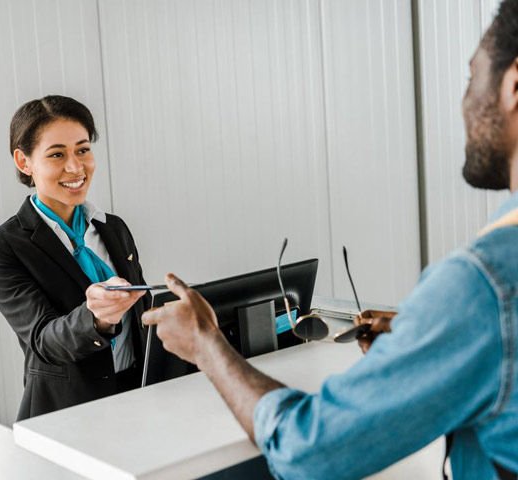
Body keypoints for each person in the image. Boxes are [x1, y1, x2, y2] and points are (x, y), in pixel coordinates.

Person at [142, 2, 518, 478]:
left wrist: (205, 343)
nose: (465, 101)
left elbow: (309, 453)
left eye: (471, 78)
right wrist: (429, 336)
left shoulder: (484, 285)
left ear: (513, 85)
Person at [0, 95, 149, 420]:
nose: (75, 167)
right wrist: (96, 318)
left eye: (83, 150)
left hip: (137, 399)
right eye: (57, 154)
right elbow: (43, 340)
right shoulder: (0, 247)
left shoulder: (114, 228)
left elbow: (140, 313)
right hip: (66, 414)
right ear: (24, 162)